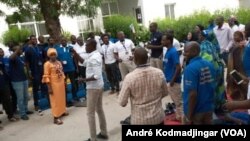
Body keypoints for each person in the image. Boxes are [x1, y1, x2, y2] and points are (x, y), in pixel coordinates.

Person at [118, 47, 168, 125]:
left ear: (134, 60)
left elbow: (122, 102)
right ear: (147, 58)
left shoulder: (129, 78)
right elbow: (165, 92)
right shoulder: (159, 73)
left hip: (140, 120)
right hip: (158, 118)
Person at [80, 39, 108, 141]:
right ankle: (104, 133)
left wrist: (83, 79)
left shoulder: (94, 58)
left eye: (86, 46)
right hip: (98, 86)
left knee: (90, 113)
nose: (85, 47)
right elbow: (84, 63)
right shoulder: (93, 55)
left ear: (92, 46)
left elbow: (96, 76)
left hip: (93, 87)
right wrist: (74, 54)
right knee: (99, 109)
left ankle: (93, 138)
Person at [183, 42, 216, 124]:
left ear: (194, 52)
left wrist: (189, 117)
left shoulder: (190, 68)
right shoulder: (210, 64)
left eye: (186, 51)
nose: (184, 54)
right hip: (209, 108)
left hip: (196, 111)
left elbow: (192, 94)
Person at [42, 48, 68, 125]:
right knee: (55, 101)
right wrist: (49, 87)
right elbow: (46, 76)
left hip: (60, 83)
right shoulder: (47, 64)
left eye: (54, 54)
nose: (53, 56)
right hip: (53, 84)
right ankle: (56, 117)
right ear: (49, 56)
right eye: (51, 55)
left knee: (61, 98)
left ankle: (62, 111)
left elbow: (62, 72)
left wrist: (64, 82)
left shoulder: (59, 62)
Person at [161, 33, 183, 123]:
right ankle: (178, 116)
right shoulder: (168, 51)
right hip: (169, 79)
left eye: (163, 40)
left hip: (174, 81)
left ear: (169, 41)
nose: (161, 41)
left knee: (178, 102)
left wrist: (173, 80)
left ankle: (182, 119)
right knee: (175, 100)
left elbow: (178, 67)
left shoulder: (173, 52)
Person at [9, 45, 33, 120]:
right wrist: (16, 50)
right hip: (17, 81)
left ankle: (25, 110)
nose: (21, 50)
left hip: (24, 79)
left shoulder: (21, 57)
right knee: (20, 98)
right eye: (20, 49)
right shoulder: (13, 58)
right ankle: (22, 114)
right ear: (15, 51)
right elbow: (10, 58)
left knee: (26, 96)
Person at [25, 35, 45, 113]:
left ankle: (47, 101)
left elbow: (44, 58)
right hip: (34, 71)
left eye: (35, 39)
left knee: (44, 86)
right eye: (33, 39)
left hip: (41, 70)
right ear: (30, 40)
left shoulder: (39, 48)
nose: (35, 40)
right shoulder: (28, 50)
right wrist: (29, 72)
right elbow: (26, 62)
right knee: (36, 89)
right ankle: (36, 104)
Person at [57, 37, 78, 106]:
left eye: (65, 40)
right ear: (60, 42)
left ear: (66, 41)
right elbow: (56, 59)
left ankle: (75, 97)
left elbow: (75, 57)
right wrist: (60, 62)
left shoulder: (70, 47)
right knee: (64, 85)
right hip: (62, 70)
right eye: (62, 41)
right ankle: (65, 100)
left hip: (71, 68)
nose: (64, 42)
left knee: (73, 84)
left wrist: (76, 67)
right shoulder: (57, 49)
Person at [227, 31, 248, 100]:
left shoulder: (245, 46)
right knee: (240, 88)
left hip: (243, 71)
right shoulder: (234, 48)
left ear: (242, 37)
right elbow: (231, 65)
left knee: (245, 88)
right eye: (234, 35)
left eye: (237, 35)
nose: (235, 37)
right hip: (236, 71)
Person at [0, 48, 19, 122]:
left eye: (2, 51)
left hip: (5, 83)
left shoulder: (5, 59)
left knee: (7, 100)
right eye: (0, 52)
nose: (1, 53)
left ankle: (10, 116)